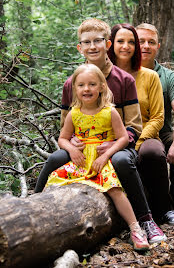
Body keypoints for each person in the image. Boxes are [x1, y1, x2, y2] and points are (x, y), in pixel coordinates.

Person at [34, 18, 167, 243]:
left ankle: (145, 220)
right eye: (87, 43)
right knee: (55, 158)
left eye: (98, 41)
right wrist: (73, 143)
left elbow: (134, 126)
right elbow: (66, 126)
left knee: (122, 162)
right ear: (80, 48)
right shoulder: (72, 83)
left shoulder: (123, 79)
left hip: (118, 145)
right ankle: (32, 207)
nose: (93, 46)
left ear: (107, 44)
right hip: (83, 146)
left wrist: (111, 146)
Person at [45, 64, 150, 251]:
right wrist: (72, 150)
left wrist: (107, 155)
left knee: (114, 190)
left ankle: (136, 228)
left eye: (92, 84)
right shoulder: (73, 114)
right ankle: (44, 220)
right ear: (74, 89)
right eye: (81, 85)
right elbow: (62, 138)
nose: (87, 89)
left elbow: (123, 138)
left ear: (102, 86)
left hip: (101, 160)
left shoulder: (109, 112)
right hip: (81, 161)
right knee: (54, 180)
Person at [108, 23, 174, 226]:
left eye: (131, 42)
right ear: (111, 44)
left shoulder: (150, 76)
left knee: (152, 152)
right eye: (121, 42)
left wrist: (137, 141)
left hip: (145, 135)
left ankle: (165, 209)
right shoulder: (101, 76)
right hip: (110, 138)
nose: (127, 46)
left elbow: (158, 118)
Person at [136, 23, 174, 218]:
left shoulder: (168, 77)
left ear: (158, 46)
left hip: (160, 132)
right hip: (130, 132)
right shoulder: (123, 72)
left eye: (151, 42)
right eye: (141, 41)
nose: (145, 46)